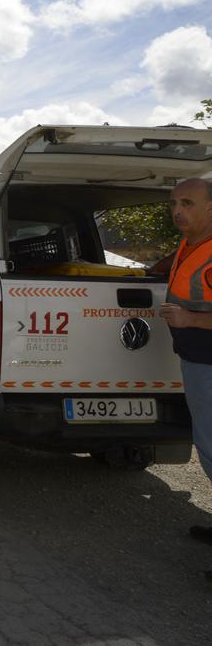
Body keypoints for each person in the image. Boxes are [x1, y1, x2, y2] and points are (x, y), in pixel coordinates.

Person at [158, 178, 212, 555]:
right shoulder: (190, 245)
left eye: (189, 203)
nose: (178, 211)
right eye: (175, 203)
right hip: (197, 362)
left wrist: (191, 321)